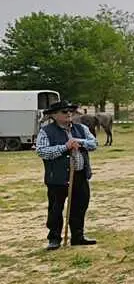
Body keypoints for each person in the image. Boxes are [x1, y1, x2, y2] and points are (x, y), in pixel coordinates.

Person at [35, 100, 99, 250]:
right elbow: (42, 151)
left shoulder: (81, 128)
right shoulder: (46, 131)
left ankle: (78, 236)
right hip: (57, 177)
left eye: (70, 111)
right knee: (56, 209)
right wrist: (65, 147)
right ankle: (54, 239)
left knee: (79, 207)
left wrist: (79, 142)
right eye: (64, 112)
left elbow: (94, 143)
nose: (69, 114)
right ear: (54, 115)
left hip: (80, 175)